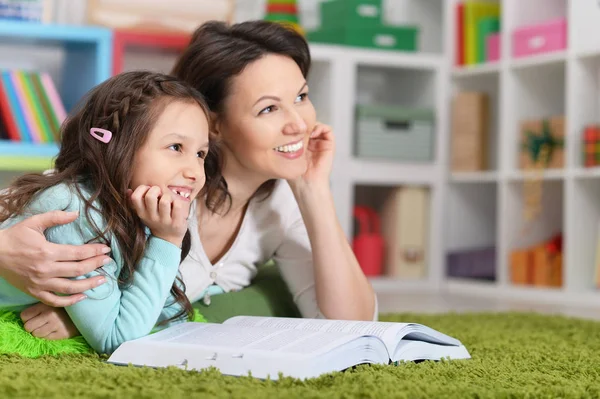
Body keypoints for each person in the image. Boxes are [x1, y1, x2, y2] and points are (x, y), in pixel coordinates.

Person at [1, 20, 376, 338]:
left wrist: (314, 189)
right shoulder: (149, 180)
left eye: (301, 96)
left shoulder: (279, 201)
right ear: (213, 124)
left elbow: (354, 326)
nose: (299, 124)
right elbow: (44, 204)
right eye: (269, 108)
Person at [0, 70, 210, 354]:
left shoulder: (142, 205)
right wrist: (167, 241)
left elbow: (175, 312)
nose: (195, 172)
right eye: (176, 147)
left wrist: (76, 319)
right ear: (117, 146)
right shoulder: (74, 212)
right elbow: (118, 339)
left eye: (201, 154)